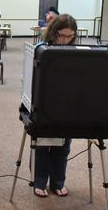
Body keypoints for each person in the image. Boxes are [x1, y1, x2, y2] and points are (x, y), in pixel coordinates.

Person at [32, 14, 77, 197]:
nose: (65, 40)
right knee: (43, 145)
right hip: (45, 106)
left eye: (70, 36)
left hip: (67, 107)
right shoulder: (40, 49)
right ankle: (40, 182)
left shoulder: (76, 52)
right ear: (54, 32)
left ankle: (58, 182)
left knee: (63, 147)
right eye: (62, 35)